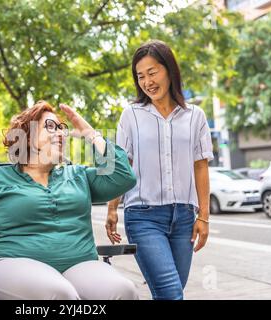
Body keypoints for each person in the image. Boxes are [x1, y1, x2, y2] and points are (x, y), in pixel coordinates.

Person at [0, 101, 138, 300]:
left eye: (61, 128)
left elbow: (123, 177)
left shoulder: (77, 175)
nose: (59, 133)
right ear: (27, 137)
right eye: (50, 126)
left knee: (123, 291)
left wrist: (90, 134)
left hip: (79, 265)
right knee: (58, 294)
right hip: (9, 263)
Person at [107, 40, 213, 300]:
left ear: (169, 70)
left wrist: (204, 216)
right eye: (140, 76)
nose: (147, 81)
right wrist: (111, 208)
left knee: (170, 292)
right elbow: (122, 164)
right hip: (143, 217)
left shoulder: (195, 116)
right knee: (171, 294)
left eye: (152, 73)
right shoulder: (130, 115)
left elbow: (200, 166)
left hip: (185, 219)